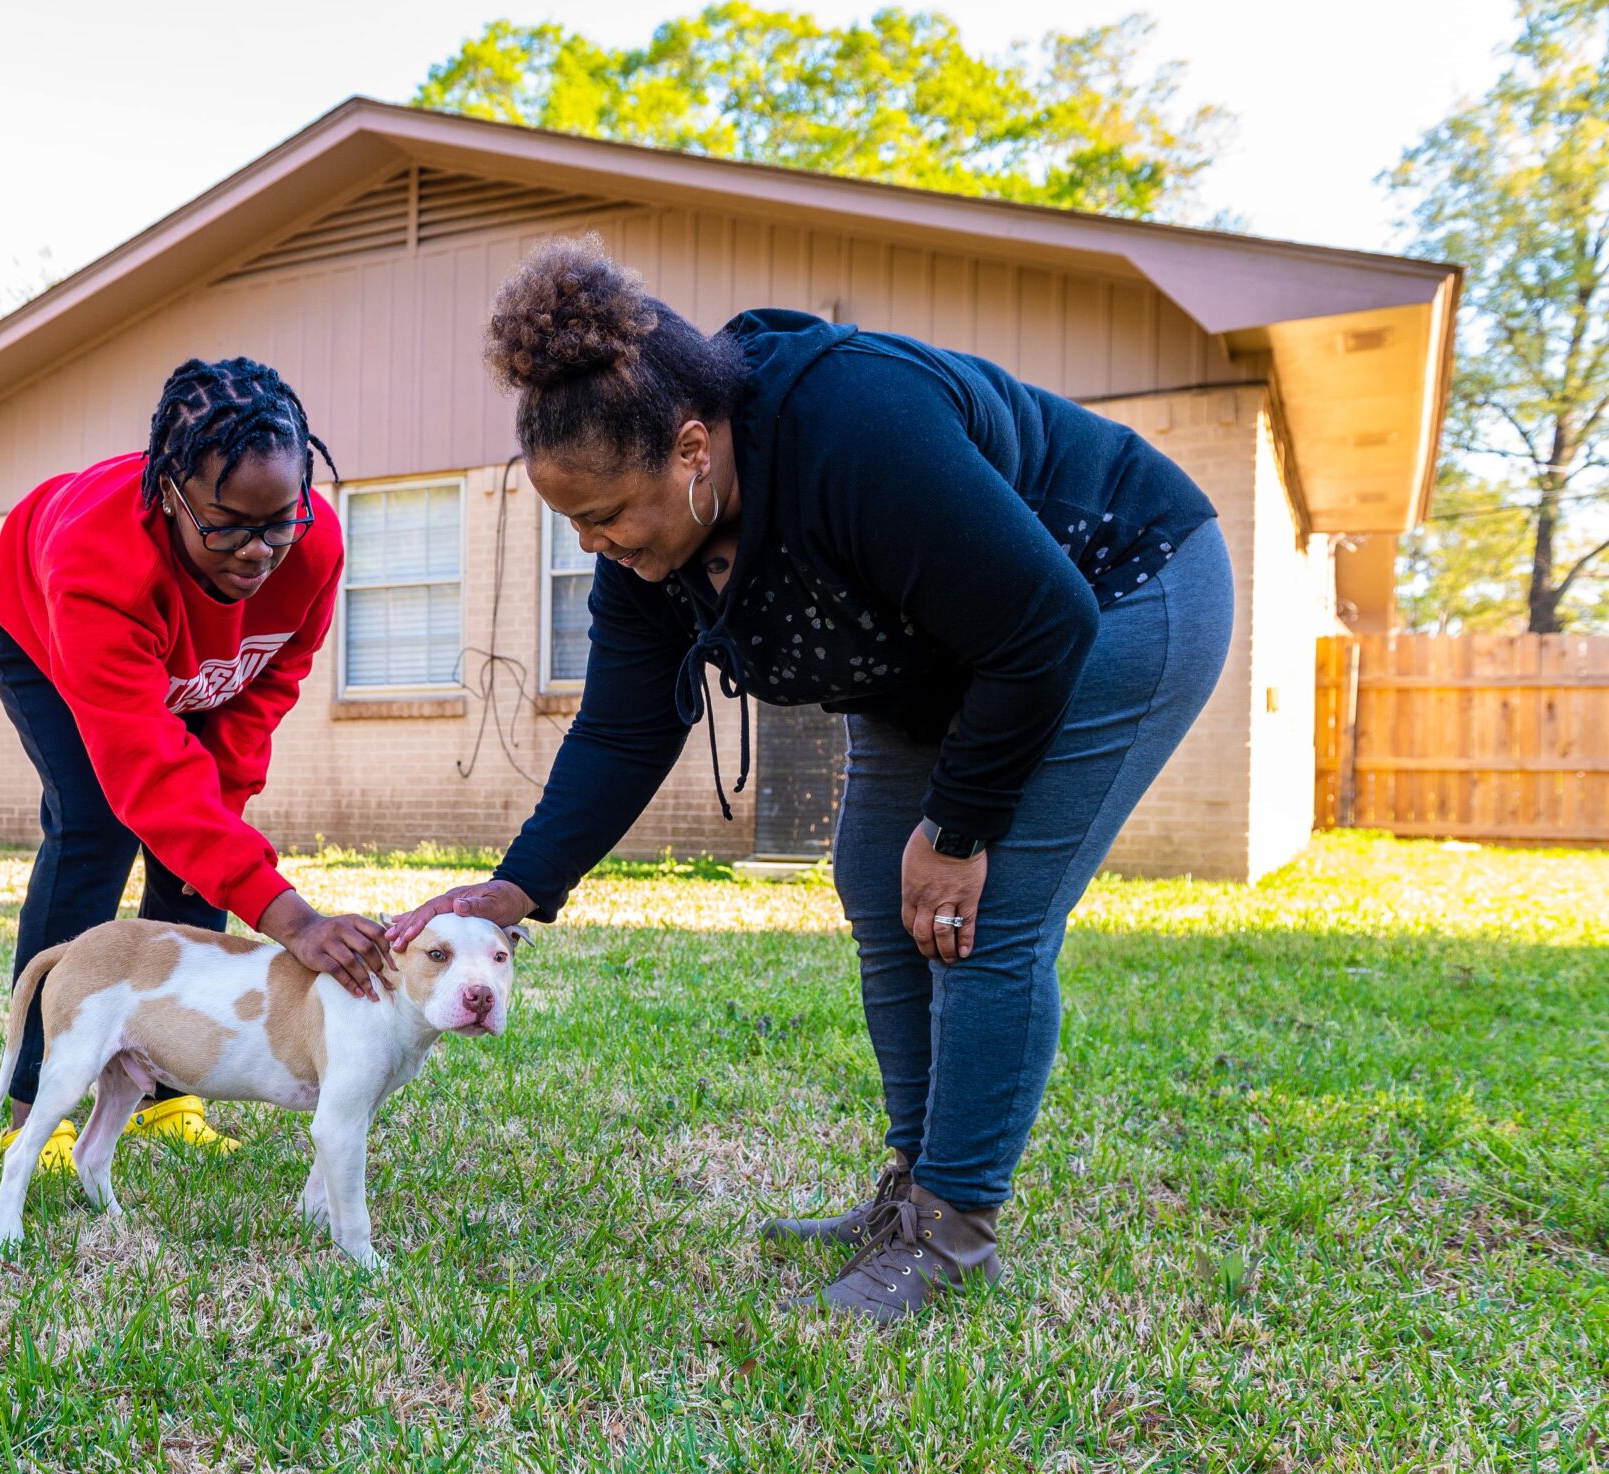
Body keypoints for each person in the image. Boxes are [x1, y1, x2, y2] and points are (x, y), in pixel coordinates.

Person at [389, 239, 1233, 1321]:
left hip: (1113, 591)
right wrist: (513, 888)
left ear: (692, 450)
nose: (596, 544)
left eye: (607, 514)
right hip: (935, 651)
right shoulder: (649, 550)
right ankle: (913, 1188)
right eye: (575, 526)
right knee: (881, 887)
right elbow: (622, 728)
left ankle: (953, 1232)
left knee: (985, 912)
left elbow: (1040, 625)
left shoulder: (854, 424)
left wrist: (962, 830)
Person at [0, 355, 392, 1171]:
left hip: (198, 668)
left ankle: (173, 1084)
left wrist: (223, 824)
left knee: (206, 847)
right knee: (95, 824)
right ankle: (40, 1104)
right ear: (169, 492)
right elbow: (149, 775)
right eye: (227, 525)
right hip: (37, 624)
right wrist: (291, 919)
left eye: (279, 521)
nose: (258, 552)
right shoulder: (95, 559)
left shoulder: (312, 548)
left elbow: (266, 689)